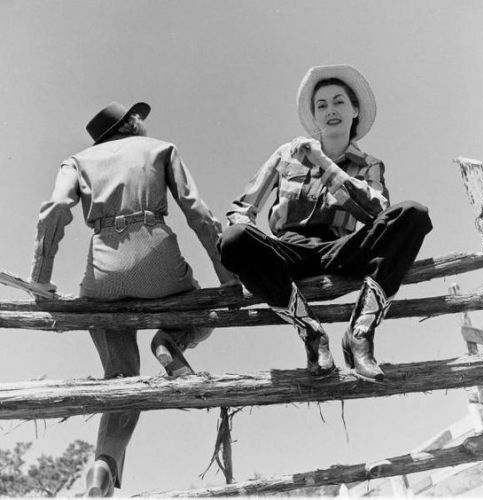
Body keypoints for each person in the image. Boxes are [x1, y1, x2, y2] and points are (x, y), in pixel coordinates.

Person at [29, 101, 234, 496]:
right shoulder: (160, 149)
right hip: (158, 262)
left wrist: (42, 278)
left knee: (121, 377)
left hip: (104, 273)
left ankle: (102, 468)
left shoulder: (76, 160)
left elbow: (54, 208)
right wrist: (228, 279)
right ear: (132, 124)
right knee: (205, 308)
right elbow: (197, 211)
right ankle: (169, 341)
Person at [218, 64, 432, 380]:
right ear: (315, 116)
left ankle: (360, 333)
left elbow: (376, 212)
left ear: (354, 110)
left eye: (338, 102)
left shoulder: (369, 164)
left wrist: (323, 162)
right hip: (289, 251)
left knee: (414, 214)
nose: (330, 110)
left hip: (342, 249)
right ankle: (311, 332)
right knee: (234, 239)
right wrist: (251, 247)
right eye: (322, 105)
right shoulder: (286, 154)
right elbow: (242, 209)